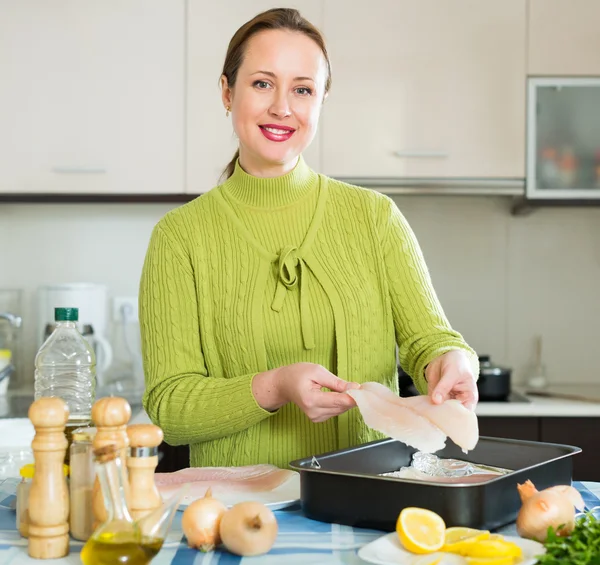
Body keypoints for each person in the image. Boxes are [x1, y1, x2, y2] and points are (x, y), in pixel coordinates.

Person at [138, 7, 479, 470]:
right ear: (226, 92)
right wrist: (273, 387)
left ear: (320, 102)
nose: (282, 107)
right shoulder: (179, 238)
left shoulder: (375, 218)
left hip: (369, 496)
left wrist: (452, 361)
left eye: (302, 89)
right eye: (262, 83)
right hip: (235, 513)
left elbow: (431, 340)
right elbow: (170, 409)